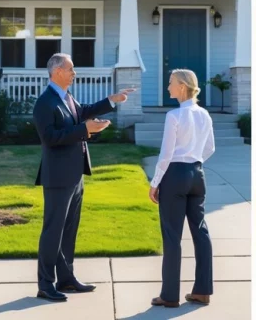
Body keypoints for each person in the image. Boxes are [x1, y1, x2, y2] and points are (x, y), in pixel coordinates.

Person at [33, 52, 135, 302]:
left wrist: (112, 100)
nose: (74, 73)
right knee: (52, 231)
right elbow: (50, 138)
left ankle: (66, 279)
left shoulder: (66, 97)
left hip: (75, 174)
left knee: (69, 230)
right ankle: (46, 284)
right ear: (57, 72)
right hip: (57, 176)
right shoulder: (45, 102)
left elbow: (84, 112)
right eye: (70, 69)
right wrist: (84, 129)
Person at [148, 69, 215, 308]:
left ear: (183, 87)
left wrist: (155, 182)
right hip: (197, 174)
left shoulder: (174, 115)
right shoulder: (205, 114)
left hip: (175, 175)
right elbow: (210, 148)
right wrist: (194, 162)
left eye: (171, 83)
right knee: (200, 231)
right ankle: (203, 291)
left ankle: (169, 295)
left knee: (172, 235)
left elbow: (166, 154)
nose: (168, 87)